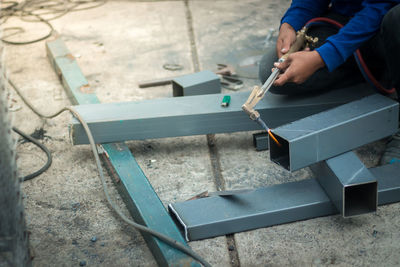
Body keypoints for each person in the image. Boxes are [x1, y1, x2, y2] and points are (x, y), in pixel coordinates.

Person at [259, 0, 400, 165]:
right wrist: (291, 22)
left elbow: (380, 7)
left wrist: (323, 56)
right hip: (345, 19)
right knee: (273, 69)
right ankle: (371, 70)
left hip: (385, 19)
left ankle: (384, 64)